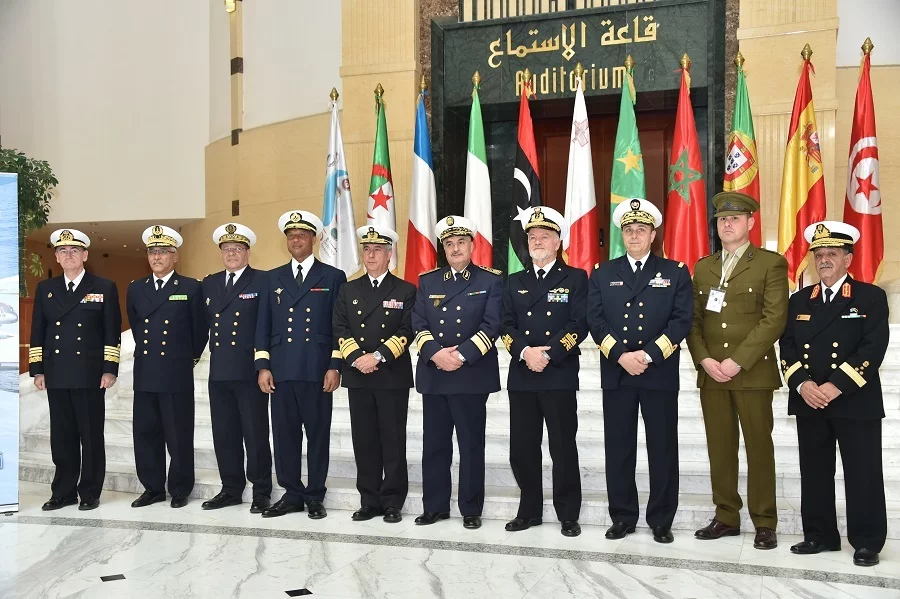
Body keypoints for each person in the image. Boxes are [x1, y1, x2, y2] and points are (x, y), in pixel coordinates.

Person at [779, 221, 889, 567]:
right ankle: (819, 534)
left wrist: (834, 385)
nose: (823, 260)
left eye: (832, 254)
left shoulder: (869, 296)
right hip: (810, 399)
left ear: (848, 259)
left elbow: (872, 348)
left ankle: (867, 540)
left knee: (862, 471)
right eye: (819, 254)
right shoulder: (798, 299)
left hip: (855, 399)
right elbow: (788, 347)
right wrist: (802, 384)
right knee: (814, 471)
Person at [587, 199, 693, 543]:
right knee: (619, 448)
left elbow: (681, 322)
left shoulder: (675, 272)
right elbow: (595, 320)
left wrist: (646, 356)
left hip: (658, 372)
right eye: (629, 230)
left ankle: (661, 519)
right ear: (622, 235)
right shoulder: (603, 273)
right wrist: (621, 355)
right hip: (617, 373)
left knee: (662, 448)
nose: (635, 235)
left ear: (653, 235)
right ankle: (622, 516)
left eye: (641, 230)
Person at [687, 191, 788, 550]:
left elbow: (774, 319)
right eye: (721, 220)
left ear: (750, 222)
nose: (727, 224)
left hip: (752, 372)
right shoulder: (703, 267)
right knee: (720, 447)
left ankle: (764, 521)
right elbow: (693, 320)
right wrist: (704, 359)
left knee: (759, 447)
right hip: (712, 373)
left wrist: (737, 360)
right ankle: (726, 515)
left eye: (734, 219)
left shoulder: (769, 264)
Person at [500, 206, 587, 537]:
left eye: (545, 236)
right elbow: (506, 325)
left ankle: (568, 513)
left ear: (558, 242)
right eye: (533, 237)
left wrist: (549, 354)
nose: (538, 241)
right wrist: (525, 352)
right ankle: (529, 510)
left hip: (558, 373)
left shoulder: (575, 278)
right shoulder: (514, 281)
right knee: (522, 447)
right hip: (523, 374)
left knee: (562, 445)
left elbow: (579, 324)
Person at [412, 215, 502, 529]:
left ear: (472, 245)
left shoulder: (490, 281)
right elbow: (419, 324)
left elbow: (492, 326)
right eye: (449, 243)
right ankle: (435, 506)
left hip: (470, 375)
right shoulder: (428, 280)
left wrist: (460, 356)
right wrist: (436, 354)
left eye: (460, 242)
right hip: (436, 373)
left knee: (470, 445)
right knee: (434, 445)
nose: (455, 248)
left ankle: (470, 508)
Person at [254, 210, 346, 519]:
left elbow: (339, 326)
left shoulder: (333, 277)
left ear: (314, 239)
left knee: (318, 435)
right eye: (291, 235)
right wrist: (263, 366)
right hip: (281, 370)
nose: (296, 239)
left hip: (317, 370)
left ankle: (315, 495)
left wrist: (335, 365)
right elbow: (262, 326)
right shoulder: (272, 278)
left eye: (303, 234)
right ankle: (292, 493)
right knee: (284, 435)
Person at [29, 229, 121, 511]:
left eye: (74, 251)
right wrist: (37, 369)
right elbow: (38, 331)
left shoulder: (103, 286)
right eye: (63, 251)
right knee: (62, 436)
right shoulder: (46, 289)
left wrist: (110, 369)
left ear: (85, 255)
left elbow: (111, 331)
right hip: (57, 373)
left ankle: (90, 491)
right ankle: (64, 491)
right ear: (56, 257)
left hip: (90, 374)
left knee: (90, 436)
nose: (68, 256)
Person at [333, 225, 416, 523]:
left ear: (389, 254)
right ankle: (369, 499)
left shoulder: (405, 290)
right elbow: (340, 328)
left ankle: (393, 501)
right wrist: (358, 359)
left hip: (391, 374)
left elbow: (408, 329)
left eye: (377, 249)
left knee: (392, 440)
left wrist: (377, 356)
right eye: (366, 249)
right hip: (359, 374)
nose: (370, 254)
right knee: (364, 439)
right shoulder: (348, 289)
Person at [127, 225, 208, 508]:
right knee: (146, 434)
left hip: (176, 372)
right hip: (146, 371)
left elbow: (200, 330)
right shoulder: (136, 288)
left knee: (178, 434)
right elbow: (137, 326)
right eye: (152, 251)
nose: (157, 256)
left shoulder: (190, 287)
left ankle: (180, 488)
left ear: (175, 256)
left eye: (163, 251)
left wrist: (187, 359)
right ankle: (152, 488)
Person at [200, 223, 273, 514]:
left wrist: (265, 365)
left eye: (237, 249)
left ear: (247, 252)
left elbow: (267, 326)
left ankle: (261, 491)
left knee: (255, 433)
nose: (232, 253)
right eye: (227, 249)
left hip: (249, 370)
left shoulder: (263, 281)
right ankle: (230, 488)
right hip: (219, 371)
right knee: (224, 433)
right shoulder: (210, 282)